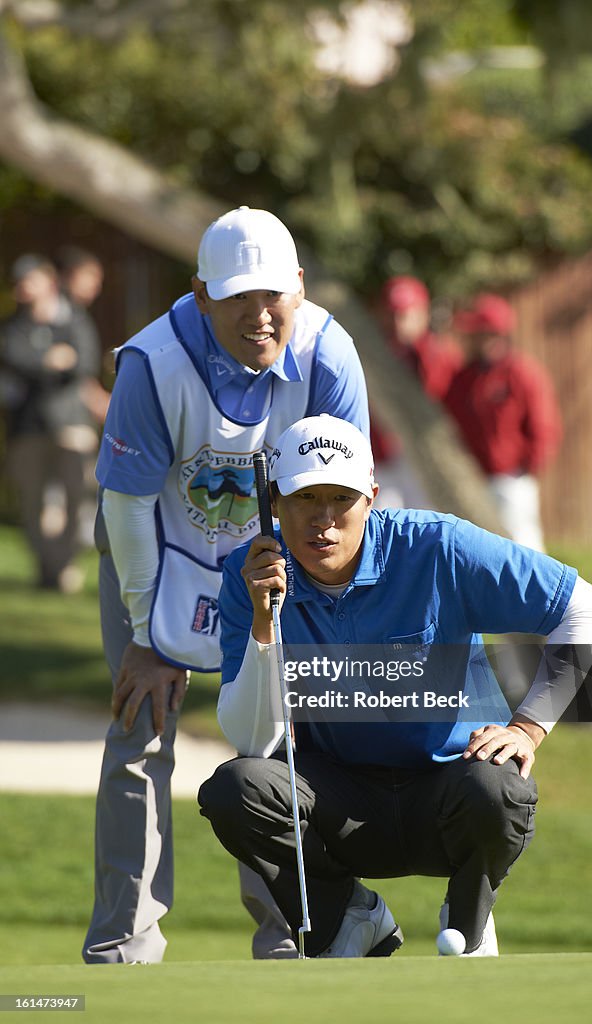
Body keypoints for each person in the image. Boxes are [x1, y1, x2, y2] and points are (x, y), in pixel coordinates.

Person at [198, 414, 592, 958]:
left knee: (501, 790)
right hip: (337, 802)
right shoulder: (248, 575)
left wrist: (529, 727)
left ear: (371, 496)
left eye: (341, 500)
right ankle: (347, 919)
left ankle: (468, 920)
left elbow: (588, 610)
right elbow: (252, 741)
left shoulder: (438, 546)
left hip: (449, 793)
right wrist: (263, 621)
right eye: (305, 499)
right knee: (238, 788)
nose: (323, 521)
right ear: (274, 502)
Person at [82, 207, 370, 965]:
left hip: (275, 554)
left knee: (276, 735)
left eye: (273, 292)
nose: (258, 312)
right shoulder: (153, 362)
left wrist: (305, 603)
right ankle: (123, 946)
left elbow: (344, 499)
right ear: (200, 293)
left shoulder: (330, 356)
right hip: (154, 543)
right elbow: (126, 509)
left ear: (300, 289)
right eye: (238, 295)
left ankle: (292, 937)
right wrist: (149, 638)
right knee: (141, 729)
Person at [0, 254, 103, 592]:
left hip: (71, 425)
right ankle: (49, 569)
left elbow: (84, 362)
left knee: (77, 498)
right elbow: (17, 361)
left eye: (30, 280)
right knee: (34, 502)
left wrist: (51, 364)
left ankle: (61, 565)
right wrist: (53, 361)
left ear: (49, 282)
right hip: (28, 428)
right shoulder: (14, 327)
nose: (23, 288)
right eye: (19, 282)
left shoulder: (74, 320)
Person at [443, 293, 562, 551]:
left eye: (477, 333)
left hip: (510, 479)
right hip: (472, 479)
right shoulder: (464, 378)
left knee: (522, 545)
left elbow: (544, 428)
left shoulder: (521, 374)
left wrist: (523, 467)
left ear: (495, 334)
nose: (471, 339)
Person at [370, 275, 462, 508]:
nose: (397, 322)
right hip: (383, 455)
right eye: (391, 313)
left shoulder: (439, 355)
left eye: (404, 314)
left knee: (425, 522)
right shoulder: (372, 353)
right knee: (383, 519)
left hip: (425, 458)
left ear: (422, 314)